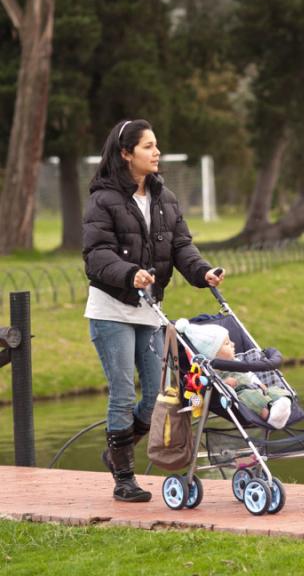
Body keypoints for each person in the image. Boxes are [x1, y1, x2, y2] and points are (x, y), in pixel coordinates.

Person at [82, 119, 224, 503]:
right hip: (112, 309)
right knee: (124, 394)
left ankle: (117, 451)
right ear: (126, 153)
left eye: (156, 145)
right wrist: (130, 274)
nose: (156, 152)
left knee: (157, 396)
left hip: (149, 310)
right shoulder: (103, 199)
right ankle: (124, 478)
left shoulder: (165, 198)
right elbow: (96, 256)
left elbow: (181, 247)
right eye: (147, 146)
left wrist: (203, 272)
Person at [175, 319, 292, 429]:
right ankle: (269, 416)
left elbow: (250, 374)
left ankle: (281, 404)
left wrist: (258, 383)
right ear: (213, 354)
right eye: (226, 343)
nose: (233, 344)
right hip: (241, 392)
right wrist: (225, 382)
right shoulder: (212, 370)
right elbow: (215, 388)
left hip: (256, 388)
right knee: (251, 397)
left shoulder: (237, 361)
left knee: (276, 390)